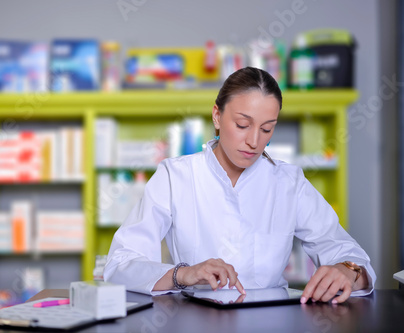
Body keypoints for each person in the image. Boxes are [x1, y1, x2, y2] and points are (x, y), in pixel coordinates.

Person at [104, 67, 376, 304]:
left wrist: (348, 270)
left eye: (267, 128)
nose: (255, 141)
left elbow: (344, 250)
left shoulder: (289, 182)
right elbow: (121, 262)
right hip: (194, 320)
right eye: (243, 124)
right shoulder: (176, 176)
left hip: (272, 320)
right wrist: (183, 273)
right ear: (217, 116)